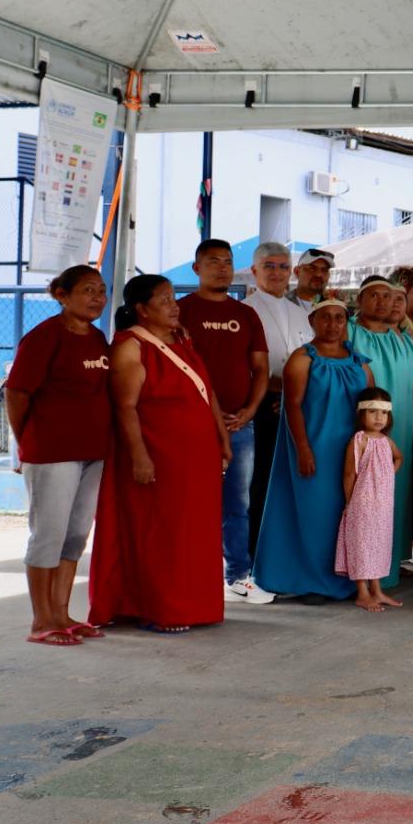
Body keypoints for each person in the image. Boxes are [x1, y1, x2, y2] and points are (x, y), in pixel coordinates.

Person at [89, 274, 231, 633]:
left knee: (195, 532)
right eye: (164, 299)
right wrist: (139, 455)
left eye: (173, 298)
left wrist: (221, 436)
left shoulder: (182, 339)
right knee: (161, 532)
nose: (174, 305)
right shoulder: (130, 346)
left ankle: (196, 604)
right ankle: (160, 608)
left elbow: (206, 390)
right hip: (159, 454)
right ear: (141, 309)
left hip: (196, 456)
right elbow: (125, 407)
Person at [6, 265, 111, 645]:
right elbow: (16, 394)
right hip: (52, 453)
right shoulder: (44, 338)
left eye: (101, 290)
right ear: (62, 295)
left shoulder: (98, 339)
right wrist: (28, 444)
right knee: (48, 535)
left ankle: (62, 613)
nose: (97, 297)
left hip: (93, 452)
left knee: (75, 535)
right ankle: (41, 621)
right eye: (87, 290)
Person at [253, 299, 374, 603]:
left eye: (339, 318)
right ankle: (313, 582)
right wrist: (303, 448)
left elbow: (372, 405)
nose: (333, 324)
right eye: (325, 318)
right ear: (312, 321)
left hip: (350, 448)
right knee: (315, 513)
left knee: (347, 512)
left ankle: (347, 579)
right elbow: (292, 406)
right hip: (315, 444)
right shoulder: (302, 359)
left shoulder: (360, 362)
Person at [177, 238, 272, 604]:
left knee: (238, 504)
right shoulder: (180, 312)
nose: (222, 268)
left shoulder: (247, 314)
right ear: (197, 268)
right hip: (191, 425)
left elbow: (260, 369)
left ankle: (237, 576)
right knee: (192, 502)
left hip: (239, 425)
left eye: (228, 262)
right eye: (213, 261)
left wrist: (250, 410)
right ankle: (190, 574)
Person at [347, 275, 413, 588]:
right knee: (364, 496)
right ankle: (361, 568)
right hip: (361, 426)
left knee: (396, 492)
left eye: (389, 296)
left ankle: (389, 562)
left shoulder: (409, 340)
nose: (384, 302)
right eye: (375, 296)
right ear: (360, 300)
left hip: (404, 424)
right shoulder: (349, 331)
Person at [243, 243, 312, 562]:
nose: (277, 273)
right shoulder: (245, 311)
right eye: (269, 266)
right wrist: (273, 392)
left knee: (291, 483)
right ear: (255, 270)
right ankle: (256, 555)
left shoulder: (302, 313)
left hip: (297, 406)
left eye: (283, 266)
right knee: (258, 484)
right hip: (261, 406)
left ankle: (286, 554)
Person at [336, 387, 403, 612]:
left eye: (383, 413)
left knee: (379, 545)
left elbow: (399, 457)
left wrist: (389, 471)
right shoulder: (359, 440)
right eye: (372, 412)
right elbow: (348, 474)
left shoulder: (386, 441)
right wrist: (350, 502)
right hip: (362, 505)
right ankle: (362, 593)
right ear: (361, 414)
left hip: (383, 507)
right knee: (362, 545)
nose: (378, 417)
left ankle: (377, 590)